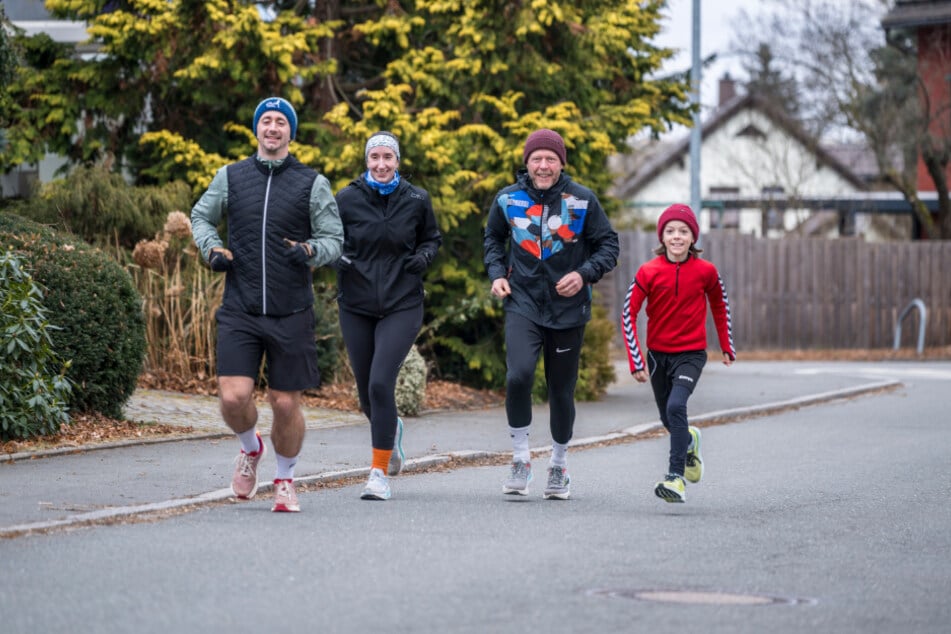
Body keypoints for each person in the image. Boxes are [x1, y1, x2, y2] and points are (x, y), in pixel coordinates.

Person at [190, 96, 343, 513]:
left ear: (291, 132)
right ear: (257, 129)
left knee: (285, 403)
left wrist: (310, 250)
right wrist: (212, 248)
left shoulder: (312, 183)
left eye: (281, 122)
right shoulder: (230, 176)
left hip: (290, 309)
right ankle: (250, 447)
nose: (273, 128)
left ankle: (285, 479)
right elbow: (201, 217)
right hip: (240, 306)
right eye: (266, 121)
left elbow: (334, 239)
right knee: (233, 397)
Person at [483, 128, 619, 500]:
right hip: (523, 302)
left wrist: (583, 274)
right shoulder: (508, 199)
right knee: (518, 376)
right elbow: (493, 238)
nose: (543, 165)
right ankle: (520, 459)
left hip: (568, 310)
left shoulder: (582, 200)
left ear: (561, 163)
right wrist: (497, 274)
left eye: (551, 159)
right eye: (537, 159)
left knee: (561, 391)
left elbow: (609, 245)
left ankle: (559, 465)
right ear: (526, 163)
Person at [334, 131, 442, 501]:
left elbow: (432, 239)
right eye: (375, 157)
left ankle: (378, 473)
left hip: (402, 303)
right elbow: (328, 238)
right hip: (356, 304)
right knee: (367, 394)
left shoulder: (416, 199)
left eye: (388, 157)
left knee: (381, 383)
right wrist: (337, 257)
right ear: (366, 161)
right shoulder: (346, 199)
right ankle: (390, 431)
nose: (381, 164)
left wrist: (424, 257)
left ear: (397, 161)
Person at [620, 203, 735, 503]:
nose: (677, 237)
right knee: (667, 418)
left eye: (683, 231)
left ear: (693, 237)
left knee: (676, 406)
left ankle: (675, 478)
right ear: (662, 237)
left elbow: (720, 305)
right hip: (658, 356)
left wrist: (726, 345)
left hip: (691, 355)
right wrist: (636, 360)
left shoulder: (706, 271)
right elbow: (628, 313)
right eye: (670, 231)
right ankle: (690, 440)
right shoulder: (648, 271)